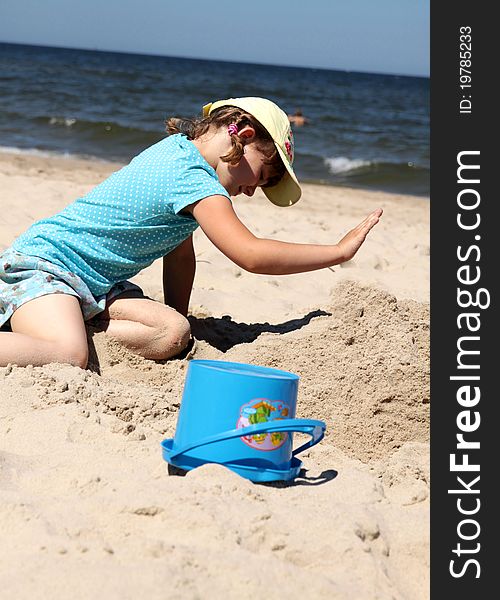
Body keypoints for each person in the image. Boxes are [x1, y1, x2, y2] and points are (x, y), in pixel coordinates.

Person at [0, 97, 382, 368]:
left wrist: (179, 311)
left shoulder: (179, 152)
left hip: (97, 284)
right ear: (244, 135)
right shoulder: (195, 183)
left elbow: (180, 255)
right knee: (69, 355)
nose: (252, 191)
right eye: (262, 176)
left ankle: (73, 322)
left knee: (172, 331)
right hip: (45, 269)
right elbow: (251, 255)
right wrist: (338, 251)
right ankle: (59, 329)